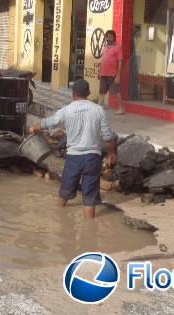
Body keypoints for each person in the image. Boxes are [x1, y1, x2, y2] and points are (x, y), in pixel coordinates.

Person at [29, 79, 116, 219]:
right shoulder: (99, 110)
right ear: (88, 93)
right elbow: (108, 136)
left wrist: (35, 127)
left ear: (73, 93)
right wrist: (111, 153)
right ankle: (89, 230)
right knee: (89, 198)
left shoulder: (66, 110)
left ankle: (60, 219)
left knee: (65, 191)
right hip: (93, 158)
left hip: (73, 158)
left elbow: (49, 122)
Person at [98, 30, 125, 115]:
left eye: (110, 37)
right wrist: (99, 71)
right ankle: (99, 108)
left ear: (114, 37)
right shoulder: (105, 46)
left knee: (115, 91)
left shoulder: (118, 47)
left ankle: (121, 108)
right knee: (102, 91)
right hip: (103, 73)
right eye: (107, 37)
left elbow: (120, 61)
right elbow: (103, 60)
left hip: (112, 74)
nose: (108, 39)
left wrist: (118, 75)